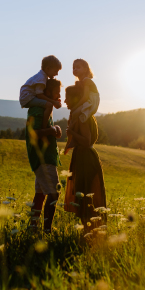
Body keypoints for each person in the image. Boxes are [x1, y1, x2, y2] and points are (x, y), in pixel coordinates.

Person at [63, 84, 106, 232]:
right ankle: (90, 230)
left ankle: (91, 231)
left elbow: (87, 140)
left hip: (85, 158)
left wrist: (72, 133)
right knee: (84, 193)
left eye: (67, 98)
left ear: (75, 98)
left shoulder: (82, 117)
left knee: (86, 192)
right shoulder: (82, 115)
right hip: (83, 156)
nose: (64, 101)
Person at [26, 78, 63, 233]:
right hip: (43, 158)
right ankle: (47, 230)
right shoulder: (38, 109)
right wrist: (51, 131)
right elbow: (33, 133)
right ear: (47, 92)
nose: (59, 96)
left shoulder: (46, 108)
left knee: (40, 194)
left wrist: (55, 128)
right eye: (57, 92)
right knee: (54, 193)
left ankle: (33, 227)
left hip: (45, 157)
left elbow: (47, 130)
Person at [64, 59, 99, 154]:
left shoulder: (86, 80)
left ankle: (72, 138)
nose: (75, 69)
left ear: (85, 69)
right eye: (73, 68)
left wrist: (75, 107)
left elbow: (85, 97)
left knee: (75, 113)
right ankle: (70, 139)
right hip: (87, 101)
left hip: (91, 102)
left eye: (78, 67)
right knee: (73, 115)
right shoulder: (80, 82)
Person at [19, 55, 63, 129]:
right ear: (48, 68)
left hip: (29, 96)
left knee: (49, 104)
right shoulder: (41, 78)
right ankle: (44, 127)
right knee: (49, 105)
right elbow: (40, 96)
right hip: (28, 98)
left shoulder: (41, 76)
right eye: (55, 71)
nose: (57, 74)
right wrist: (53, 102)